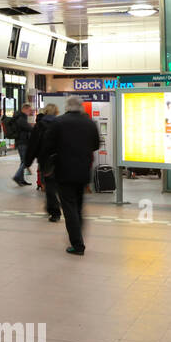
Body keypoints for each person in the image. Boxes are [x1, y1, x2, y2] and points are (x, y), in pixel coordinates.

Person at [38, 95, 102, 255]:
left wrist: (46, 164)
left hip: (64, 171)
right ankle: (78, 235)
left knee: (69, 207)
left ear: (67, 106)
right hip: (83, 170)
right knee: (79, 206)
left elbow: (47, 146)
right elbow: (96, 144)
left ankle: (77, 244)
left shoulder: (58, 123)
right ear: (80, 107)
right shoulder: (89, 123)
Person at [27, 103, 62, 222]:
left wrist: (28, 161)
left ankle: (54, 211)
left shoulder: (40, 125)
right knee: (60, 184)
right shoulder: (61, 123)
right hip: (60, 159)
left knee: (49, 185)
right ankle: (56, 206)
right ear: (56, 112)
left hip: (46, 160)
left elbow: (33, 145)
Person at [11, 104, 34, 186]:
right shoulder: (21, 118)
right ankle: (17, 176)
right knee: (25, 161)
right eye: (30, 110)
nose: (31, 112)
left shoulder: (21, 117)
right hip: (22, 142)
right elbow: (29, 128)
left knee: (23, 161)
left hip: (21, 141)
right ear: (25, 109)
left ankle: (21, 179)